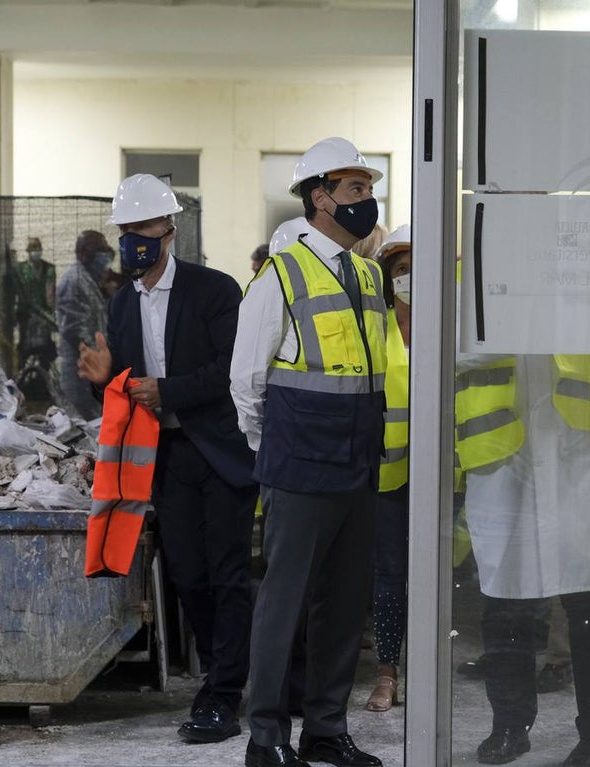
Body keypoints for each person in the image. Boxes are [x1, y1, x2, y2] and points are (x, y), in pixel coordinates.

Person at [78, 174, 257, 745]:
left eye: (144, 227)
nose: (134, 238)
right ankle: (219, 675)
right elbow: (129, 389)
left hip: (221, 451)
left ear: (169, 230)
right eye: (126, 229)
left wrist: (170, 391)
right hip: (168, 455)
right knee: (188, 574)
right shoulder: (121, 307)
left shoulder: (215, 290)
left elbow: (234, 368)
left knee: (229, 574)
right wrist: (106, 382)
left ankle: (224, 693)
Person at [230, 136, 388, 767]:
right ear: (320, 198)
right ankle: (267, 737)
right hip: (299, 463)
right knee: (284, 602)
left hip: (357, 461)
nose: (366, 202)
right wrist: (272, 449)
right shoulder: (282, 273)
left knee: (346, 605)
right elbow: (247, 379)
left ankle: (326, 729)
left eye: (369, 190)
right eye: (355, 191)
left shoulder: (370, 274)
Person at [457, 349, 590, 765]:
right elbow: (441, 344)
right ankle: (509, 726)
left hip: (575, 447)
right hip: (501, 451)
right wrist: (506, 331)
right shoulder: (465, 280)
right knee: (506, 602)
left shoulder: (581, 279)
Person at [365, 225, 412, 713]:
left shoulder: (461, 330)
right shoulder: (375, 331)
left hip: (450, 477)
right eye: (401, 270)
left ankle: (435, 671)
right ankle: (386, 673)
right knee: (390, 574)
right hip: (388, 475)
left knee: (447, 578)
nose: (412, 278)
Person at [56, 230, 114, 420]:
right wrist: (100, 357)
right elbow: (75, 329)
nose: (105, 256)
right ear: (87, 253)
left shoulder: (87, 279)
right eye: (101, 251)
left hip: (90, 367)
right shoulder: (74, 281)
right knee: (84, 423)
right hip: (80, 369)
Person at [11, 236, 58, 370]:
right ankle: (23, 375)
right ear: (28, 251)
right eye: (32, 249)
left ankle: (43, 377)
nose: (35, 251)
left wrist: (51, 313)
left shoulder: (49, 268)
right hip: (25, 314)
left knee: (44, 347)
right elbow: (15, 292)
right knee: (25, 346)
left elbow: (50, 292)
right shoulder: (20, 269)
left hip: (43, 314)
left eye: (37, 248)